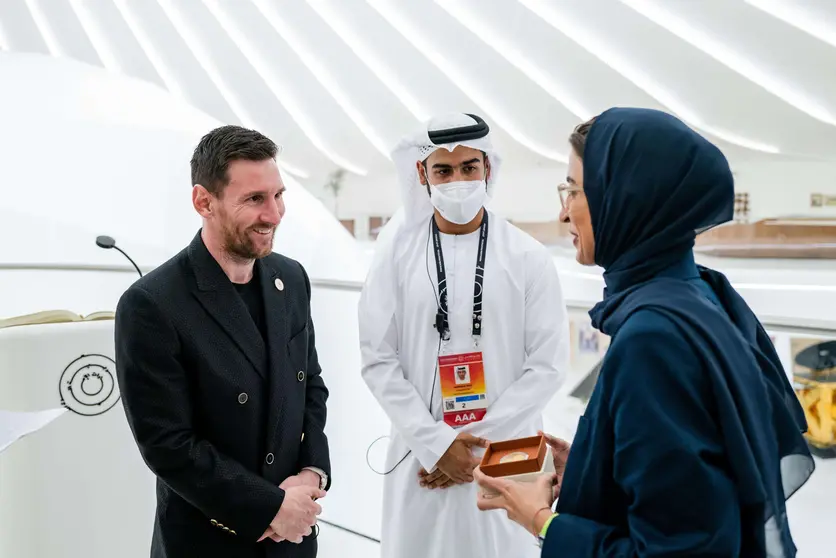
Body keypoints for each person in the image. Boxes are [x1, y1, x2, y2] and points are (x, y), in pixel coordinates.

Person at [473, 107, 816, 556]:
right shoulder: (702, 293)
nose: (562, 213)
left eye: (573, 191)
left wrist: (541, 521)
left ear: (627, 198)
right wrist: (593, 464)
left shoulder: (652, 339)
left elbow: (680, 550)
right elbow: (705, 473)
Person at [358, 112, 570, 558]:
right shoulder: (396, 256)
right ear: (422, 174)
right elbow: (377, 358)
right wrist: (435, 444)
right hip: (420, 457)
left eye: (469, 167)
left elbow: (547, 367)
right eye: (444, 170)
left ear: (487, 169)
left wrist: (467, 450)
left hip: (510, 455)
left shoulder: (527, 256)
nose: (457, 180)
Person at [115, 125, 330, 558]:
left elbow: (311, 387)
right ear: (203, 202)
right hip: (207, 543)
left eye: (278, 195)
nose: (274, 214)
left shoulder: (291, 278)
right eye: (254, 199)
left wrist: (312, 472)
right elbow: (168, 444)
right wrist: (269, 507)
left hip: (292, 541)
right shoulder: (151, 304)